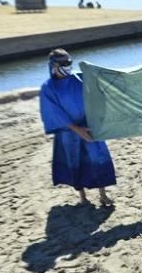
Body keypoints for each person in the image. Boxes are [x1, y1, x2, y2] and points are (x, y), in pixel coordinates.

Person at [38, 49, 115, 206]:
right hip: (69, 133)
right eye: (64, 63)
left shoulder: (80, 77)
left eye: (70, 63)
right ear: (54, 65)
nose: (68, 66)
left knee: (98, 158)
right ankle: (82, 197)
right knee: (75, 162)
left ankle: (103, 194)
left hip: (89, 126)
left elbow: (99, 89)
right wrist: (75, 128)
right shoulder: (48, 88)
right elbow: (54, 112)